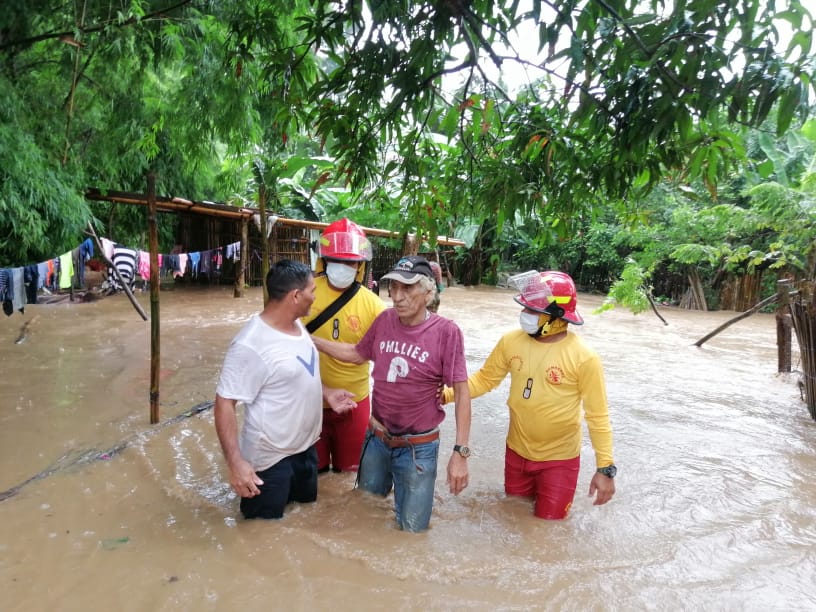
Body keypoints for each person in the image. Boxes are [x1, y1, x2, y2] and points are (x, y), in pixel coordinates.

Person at [311, 255, 472, 532]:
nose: (397, 297)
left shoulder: (447, 332)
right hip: (377, 439)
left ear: (428, 292)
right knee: (364, 512)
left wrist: (460, 453)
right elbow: (356, 354)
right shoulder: (385, 320)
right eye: (393, 288)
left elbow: (461, 391)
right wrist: (309, 339)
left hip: (418, 448)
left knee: (412, 530)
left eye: (407, 289)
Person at [442, 270, 615, 520]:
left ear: (557, 316)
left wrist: (605, 469)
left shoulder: (584, 357)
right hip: (516, 453)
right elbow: (484, 379)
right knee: (514, 519)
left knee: (548, 530)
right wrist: (446, 395)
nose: (525, 315)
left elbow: (598, 417)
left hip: (560, 461)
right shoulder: (510, 341)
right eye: (526, 308)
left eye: (534, 311)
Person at [214, 259, 357, 520]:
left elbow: (299, 371)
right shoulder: (250, 344)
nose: (315, 297)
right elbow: (225, 403)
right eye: (312, 291)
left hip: (305, 450)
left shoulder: (297, 325)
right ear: (295, 296)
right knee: (262, 536)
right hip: (270, 461)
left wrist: (326, 392)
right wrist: (236, 464)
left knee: (303, 521)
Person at [302, 218, 385, 473]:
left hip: (355, 403)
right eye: (336, 260)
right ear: (324, 261)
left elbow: (379, 359)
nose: (343, 267)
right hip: (307, 401)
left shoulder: (374, 306)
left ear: (359, 265)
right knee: (311, 478)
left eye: (349, 262)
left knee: (348, 477)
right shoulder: (304, 295)